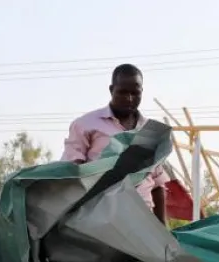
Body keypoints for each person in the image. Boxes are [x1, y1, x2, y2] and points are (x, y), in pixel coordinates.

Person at [63, 64, 170, 221]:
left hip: (143, 219)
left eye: (135, 93)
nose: (129, 98)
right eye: (122, 92)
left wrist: (163, 232)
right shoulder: (85, 124)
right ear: (111, 89)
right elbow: (70, 173)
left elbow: (158, 184)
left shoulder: (151, 131)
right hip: (99, 217)